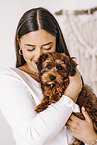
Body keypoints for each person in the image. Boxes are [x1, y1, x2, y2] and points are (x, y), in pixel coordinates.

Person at [0, 7, 97, 145]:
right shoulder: (10, 79)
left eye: (47, 47)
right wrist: (72, 92)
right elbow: (35, 136)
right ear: (19, 43)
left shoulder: (73, 74)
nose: (39, 55)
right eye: (30, 48)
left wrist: (92, 138)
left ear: (57, 42)